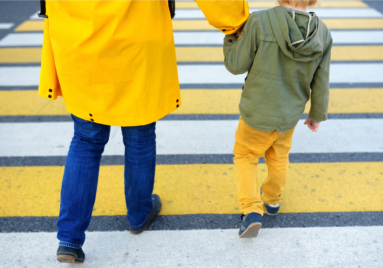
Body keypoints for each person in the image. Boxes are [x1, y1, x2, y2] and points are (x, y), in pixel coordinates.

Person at [37, 0, 249, 263]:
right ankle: (138, 215)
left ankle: (68, 240)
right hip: (137, 39)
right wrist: (235, 20)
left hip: (76, 38)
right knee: (140, 135)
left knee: (86, 140)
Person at [223, 0, 332, 238]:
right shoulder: (322, 32)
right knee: (279, 156)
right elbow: (322, 79)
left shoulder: (260, 20)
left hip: (256, 111)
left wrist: (231, 36)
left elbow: (236, 65)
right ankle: (272, 201)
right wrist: (316, 114)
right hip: (289, 114)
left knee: (246, 156)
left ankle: (251, 210)